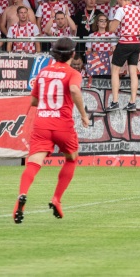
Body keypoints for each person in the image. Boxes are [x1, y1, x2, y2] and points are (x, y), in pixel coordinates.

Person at [12, 38, 90, 224]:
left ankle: (22, 195)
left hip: (42, 124)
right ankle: (56, 198)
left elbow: (33, 101)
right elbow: (74, 90)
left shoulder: (43, 72)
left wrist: (47, 101)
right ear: (72, 54)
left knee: (33, 163)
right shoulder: (73, 73)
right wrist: (83, 114)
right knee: (71, 159)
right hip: (62, 124)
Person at [107, 0, 140, 112]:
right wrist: (137, 32)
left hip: (125, 42)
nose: (117, 1)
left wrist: (112, 23)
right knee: (133, 73)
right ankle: (132, 102)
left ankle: (115, 101)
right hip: (136, 43)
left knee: (115, 71)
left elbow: (112, 29)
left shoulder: (121, 10)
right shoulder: (139, 9)